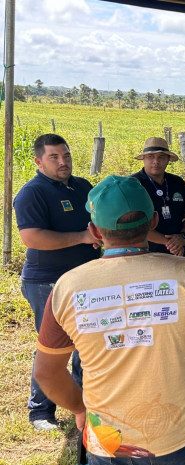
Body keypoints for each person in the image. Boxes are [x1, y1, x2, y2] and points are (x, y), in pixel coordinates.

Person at [32, 175, 185, 465]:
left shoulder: (68, 288)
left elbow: (47, 373)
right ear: (154, 220)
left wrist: (80, 408)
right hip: (181, 436)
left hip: (106, 440)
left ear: (94, 231)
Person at [13, 133, 102, 431]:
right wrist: (82, 237)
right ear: (39, 161)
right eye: (54, 157)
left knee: (85, 343)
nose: (63, 162)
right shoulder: (32, 193)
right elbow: (31, 237)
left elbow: (97, 220)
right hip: (47, 282)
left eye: (66, 155)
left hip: (85, 279)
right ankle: (40, 412)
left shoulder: (82, 187)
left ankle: (82, 403)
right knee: (52, 347)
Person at [130, 137, 185, 256]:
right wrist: (170, 243)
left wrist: (182, 236)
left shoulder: (177, 182)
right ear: (143, 158)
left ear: (168, 160)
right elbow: (133, 226)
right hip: (143, 254)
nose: (156, 161)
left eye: (161, 157)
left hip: (177, 252)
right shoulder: (132, 185)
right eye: (151, 156)